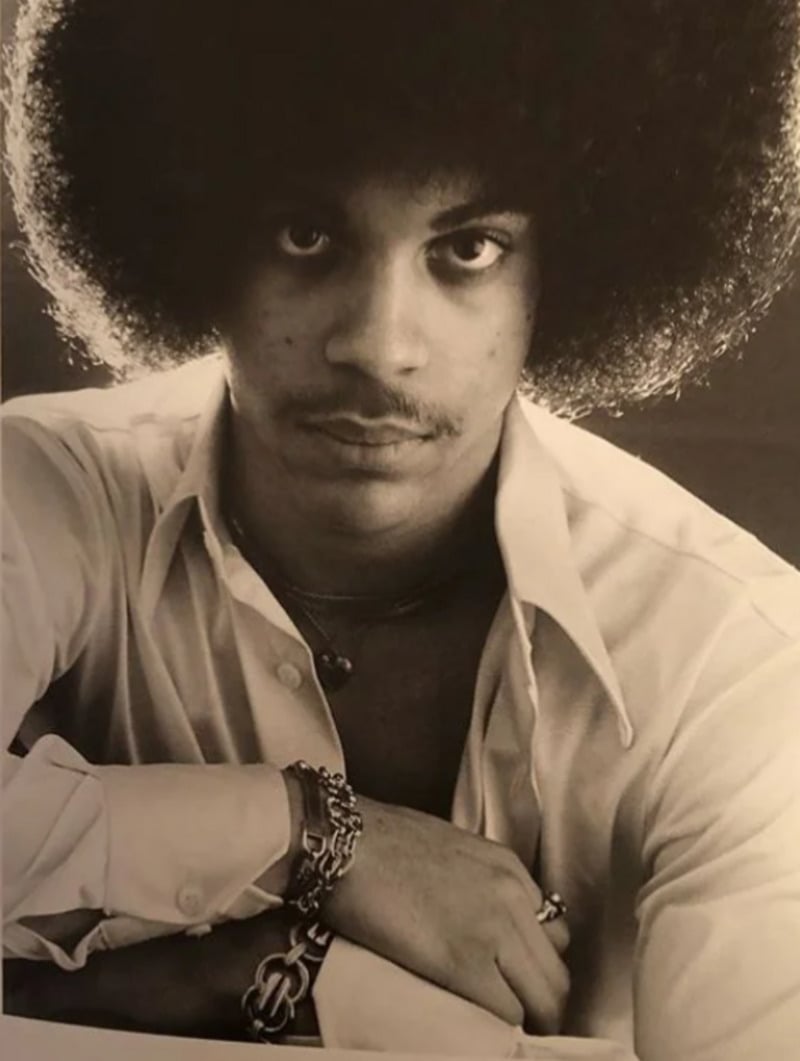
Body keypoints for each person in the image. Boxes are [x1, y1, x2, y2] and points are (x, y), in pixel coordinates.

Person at [3, 2, 800, 1059]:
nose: (378, 344)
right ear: (193, 235)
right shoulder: (45, 489)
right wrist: (312, 835)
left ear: (557, 278)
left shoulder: (727, 653)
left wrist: (167, 979)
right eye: (305, 233)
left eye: (465, 248)